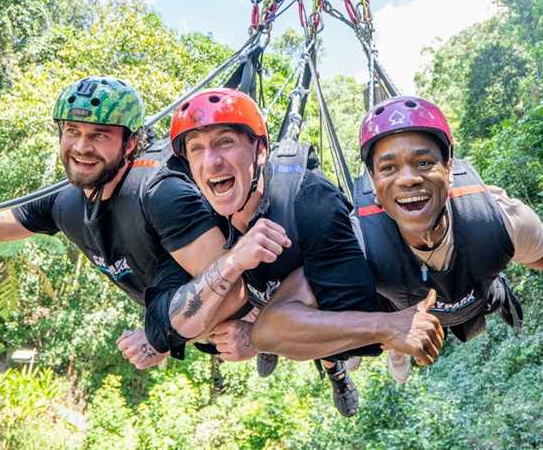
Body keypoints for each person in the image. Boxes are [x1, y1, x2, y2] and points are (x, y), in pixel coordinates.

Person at [0, 76, 242, 370]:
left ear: (130, 144)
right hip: (185, 318)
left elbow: (234, 291)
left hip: (235, 315)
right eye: (72, 131)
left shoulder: (160, 194)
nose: (81, 146)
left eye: (99, 135)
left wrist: (161, 338)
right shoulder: (65, 200)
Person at [252, 95, 543, 383]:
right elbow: (270, 328)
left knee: (460, 301)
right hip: (400, 308)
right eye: (389, 168)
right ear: (374, 185)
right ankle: (395, 348)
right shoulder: (356, 239)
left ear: (449, 167)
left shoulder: (497, 218)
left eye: (424, 163)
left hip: (472, 295)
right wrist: (386, 328)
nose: (409, 179)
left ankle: (403, 337)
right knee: (383, 330)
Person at [142, 88, 444, 417]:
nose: (210, 161)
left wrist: (258, 340)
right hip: (268, 301)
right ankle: (302, 346)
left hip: (319, 286)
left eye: (225, 142)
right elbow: (161, 324)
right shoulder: (200, 214)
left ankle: (337, 372)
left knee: (322, 341)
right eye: (196, 149)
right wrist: (232, 262)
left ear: (260, 150)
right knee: (261, 318)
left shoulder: (312, 202)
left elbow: (348, 317)